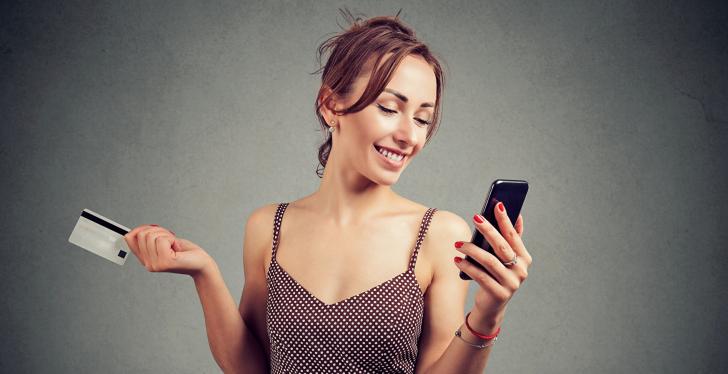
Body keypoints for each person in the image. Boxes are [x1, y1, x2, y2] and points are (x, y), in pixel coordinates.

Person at [123, 10, 531, 374]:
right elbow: (250, 368)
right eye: (389, 108)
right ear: (331, 105)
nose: (409, 135)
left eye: (423, 119)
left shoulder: (439, 235)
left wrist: (487, 315)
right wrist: (204, 272)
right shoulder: (268, 227)